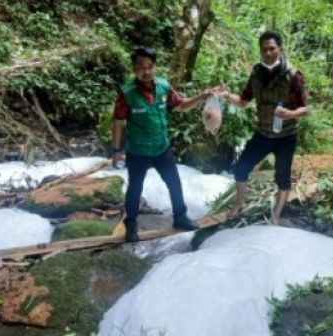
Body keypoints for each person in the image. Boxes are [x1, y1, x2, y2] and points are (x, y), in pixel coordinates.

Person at [111, 46, 213, 242]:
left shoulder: (164, 88)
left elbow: (181, 105)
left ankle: (180, 218)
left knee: (174, 182)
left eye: (150, 66)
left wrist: (202, 97)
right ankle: (131, 226)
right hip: (138, 150)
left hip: (161, 148)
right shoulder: (127, 93)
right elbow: (117, 122)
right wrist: (116, 150)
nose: (146, 71)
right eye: (141, 67)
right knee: (135, 189)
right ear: (134, 68)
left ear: (155, 67)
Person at [216, 31, 308, 224]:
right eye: (264, 49)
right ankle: (239, 204)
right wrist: (226, 95)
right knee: (241, 169)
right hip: (263, 133)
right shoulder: (256, 74)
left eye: (272, 48)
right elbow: (242, 101)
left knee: (282, 176)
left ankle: (276, 215)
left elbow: (304, 108)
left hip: (286, 136)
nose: (268, 53)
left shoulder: (293, 76)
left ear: (280, 49)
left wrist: (290, 114)